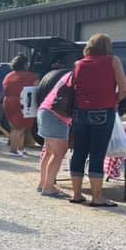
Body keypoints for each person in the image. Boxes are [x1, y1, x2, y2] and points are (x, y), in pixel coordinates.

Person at [69, 33, 126, 207]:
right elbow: (124, 88)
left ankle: (77, 194)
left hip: (80, 112)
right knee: (97, 153)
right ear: (106, 46)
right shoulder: (112, 60)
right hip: (103, 111)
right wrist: (114, 100)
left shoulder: (78, 63)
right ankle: (97, 197)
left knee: (79, 152)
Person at [36, 70, 73, 199]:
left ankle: (43, 183)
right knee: (59, 153)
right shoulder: (78, 77)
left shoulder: (69, 75)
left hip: (45, 111)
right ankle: (48, 187)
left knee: (49, 151)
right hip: (56, 116)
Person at [1, 54, 39, 156]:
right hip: (24, 102)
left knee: (16, 127)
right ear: (24, 64)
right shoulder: (31, 76)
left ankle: (20, 148)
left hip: (8, 101)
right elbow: (37, 88)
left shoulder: (8, 76)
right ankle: (14, 150)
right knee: (20, 128)